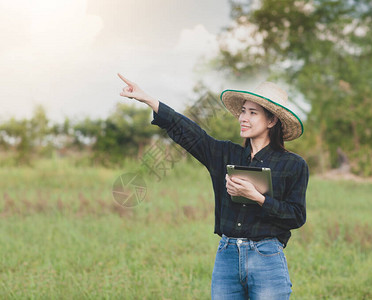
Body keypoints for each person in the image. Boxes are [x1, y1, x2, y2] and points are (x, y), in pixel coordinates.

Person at [118, 73, 308, 300]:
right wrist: (150, 100)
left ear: (271, 121)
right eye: (243, 111)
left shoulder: (293, 164)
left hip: (266, 257)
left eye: (253, 113)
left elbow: (296, 217)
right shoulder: (226, 154)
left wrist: (258, 197)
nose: (243, 118)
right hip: (227, 256)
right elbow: (192, 135)